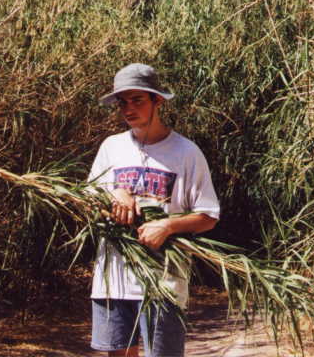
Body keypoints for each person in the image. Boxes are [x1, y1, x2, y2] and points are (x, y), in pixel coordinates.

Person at [88, 63, 221, 357]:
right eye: (122, 102)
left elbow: (208, 216)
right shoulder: (111, 147)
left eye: (137, 100)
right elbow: (88, 199)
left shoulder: (186, 153)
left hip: (164, 282)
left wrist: (168, 226)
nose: (128, 109)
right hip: (114, 279)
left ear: (157, 100)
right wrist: (113, 193)